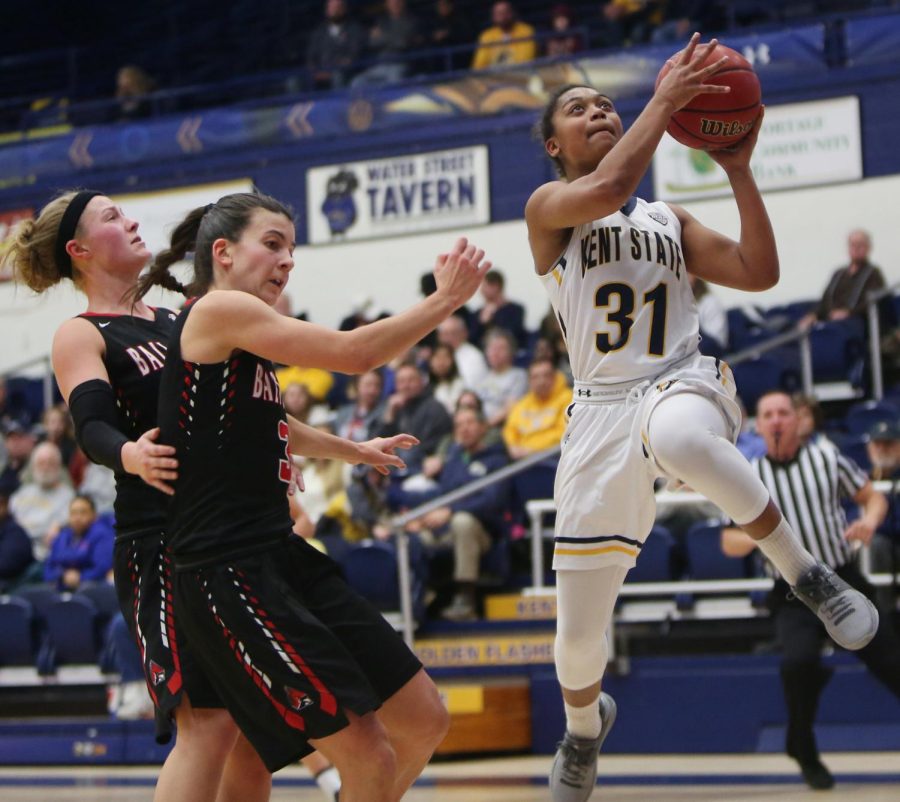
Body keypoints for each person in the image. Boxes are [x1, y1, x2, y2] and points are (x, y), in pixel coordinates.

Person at [523, 37, 880, 802]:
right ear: (555, 145)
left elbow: (761, 273)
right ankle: (584, 732)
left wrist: (740, 170)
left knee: (684, 435)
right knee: (578, 639)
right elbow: (611, 181)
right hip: (597, 415)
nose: (600, 112)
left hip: (677, 378)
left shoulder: (667, 217)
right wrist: (666, 100)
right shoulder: (550, 210)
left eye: (606, 103)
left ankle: (805, 574)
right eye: (580, 109)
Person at [5, 190, 403, 802]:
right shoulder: (80, 334)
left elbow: (258, 413)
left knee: (250, 730)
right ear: (80, 251)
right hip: (157, 544)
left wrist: (347, 450)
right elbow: (90, 425)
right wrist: (129, 453)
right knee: (207, 726)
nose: (132, 221)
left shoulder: (179, 318)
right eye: (113, 217)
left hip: (223, 542)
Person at [139, 190, 489, 798]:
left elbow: (272, 419)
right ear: (222, 253)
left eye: (292, 250)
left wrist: (353, 449)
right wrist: (444, 301)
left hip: (280, 553)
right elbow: (355, 354)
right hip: (228, 569)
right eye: (273, 244)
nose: (288, 261)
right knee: (365, 755)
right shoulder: (219, 311)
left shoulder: (243, 335)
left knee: (424, 720)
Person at [721, 391, 899, 790]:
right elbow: (727, 543)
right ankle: (802, 745)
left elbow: (871, 498)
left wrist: (869, 521)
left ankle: (807, 716)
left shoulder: (826, 457)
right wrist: (760, 536)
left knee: (892, 663)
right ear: (759, 425)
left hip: (843, 576)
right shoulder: (745, 475)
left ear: (799, 420)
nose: (778, 420)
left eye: (785, 412)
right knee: (798, 664)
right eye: (769, 414)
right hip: (792, 590)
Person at [403, 406, 511, 621]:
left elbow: (492, 501)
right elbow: (441, 497)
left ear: (483, 427)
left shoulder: (497, 460)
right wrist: (423, 520)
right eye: (459, 425)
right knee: (413, 537)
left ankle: (466, 598)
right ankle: (420, 597)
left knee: (462, 522)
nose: (465, 429)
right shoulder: (452, 462)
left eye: (470, 423)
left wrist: (451, 511)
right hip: (448, 529)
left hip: (484, 533)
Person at [799, 229, 886, 330]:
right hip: (831, 323)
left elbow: (874, 303)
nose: (856, 248)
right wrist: (812, 315)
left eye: (860, 244)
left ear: (868, 248)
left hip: (856, 325)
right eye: (853, 244)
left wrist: (849, 313)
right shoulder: (838, 274)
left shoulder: (873, 273)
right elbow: (825, 301)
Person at [10, 441, 74, 561]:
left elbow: (61, 528)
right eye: (41, 463)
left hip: (43, 554)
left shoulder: (68, 497)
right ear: (33, 466)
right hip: (15, 548)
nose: (45, 467)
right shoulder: (21, 493)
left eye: (50, 463)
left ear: (58, 466)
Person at [43, 494, 114, 590]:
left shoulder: (103, 534)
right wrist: (62, 576)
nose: (77, 517)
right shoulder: (62, 535)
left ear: (94, 515)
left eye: (83, 512)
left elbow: (102, 568)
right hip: (61, 583)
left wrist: (80, 576)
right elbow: (48, 568)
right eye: (73, 513)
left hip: (92, 585)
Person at [502, 357, 570, 459]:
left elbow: (565, 433)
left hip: (555, 456)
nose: (541, 381)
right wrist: (513, 447)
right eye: (535, 377)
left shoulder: (568, 398)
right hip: (522, 459)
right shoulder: (523, 403)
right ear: (529, 381)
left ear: (555, 377)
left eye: (546, 376)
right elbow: (510, 429)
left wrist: (533, 450)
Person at [306, 0, 367, 90]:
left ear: (344, 9)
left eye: (338, 7)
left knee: (338, 77)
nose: (334, 11)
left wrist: (331, 72)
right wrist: (314, 71)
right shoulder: (319, 33)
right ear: (327, 11)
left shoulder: (355, 30)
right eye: (331, 8)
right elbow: (311, 57)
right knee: (294, 82)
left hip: (344, 72)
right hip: (320, 73)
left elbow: (353, 56)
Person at [475, 328, 528, 428]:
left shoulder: (519, 375)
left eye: (501, 348)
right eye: (492, 348)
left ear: (511, 352)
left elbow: (511, 408)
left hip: (502, 427)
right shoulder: (483, 377)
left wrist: (485, 426)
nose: (495, 352)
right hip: (480, 428)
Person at [469, 268, 527, 348]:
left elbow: (514, 333)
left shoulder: (516, 310)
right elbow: (472, 338)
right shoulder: (477, 313)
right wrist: (482, 322)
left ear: (496, 286)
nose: (481, 290)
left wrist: (494, 317)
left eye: (485, 286)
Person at [471, 1, 537, 70]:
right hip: (492, 77)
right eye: (498, 13)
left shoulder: (526, 31)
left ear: (512, 13)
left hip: (519, 75)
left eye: (506, 12)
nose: (502, 16)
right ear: (493, 16)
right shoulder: (486, 35)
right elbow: (478, 65)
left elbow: (525, 60)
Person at [437, 314, 488, 388]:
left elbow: (472, 386)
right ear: (439, 336)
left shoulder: (473, 356)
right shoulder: (436, 355)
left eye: (454, 333)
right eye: (445, 334)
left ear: (464, 333)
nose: (449, 338)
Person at [426, 344, 465, 415]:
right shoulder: (425, 389)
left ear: (453, 361)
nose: (441, 362)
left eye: (445, 357)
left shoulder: (461, 384)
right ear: (430, 362)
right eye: (437, 357)